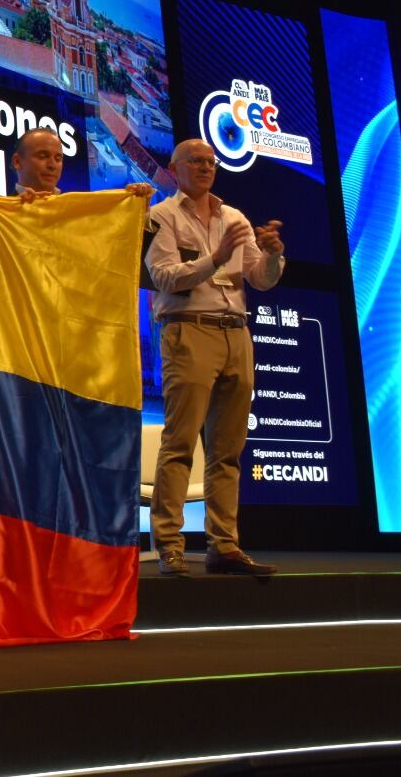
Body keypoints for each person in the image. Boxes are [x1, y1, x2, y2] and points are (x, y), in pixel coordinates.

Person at [145, 138, 285, 577]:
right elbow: (163, 277)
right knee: (180, 443)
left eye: (211, 161)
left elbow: (260, 279)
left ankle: (224, 545)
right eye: (196, 161)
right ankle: (169, 545)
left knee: (228, 451)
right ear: (175, 168)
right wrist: (216, 257)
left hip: (236, 334)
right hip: (189, 331)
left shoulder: (234, 217)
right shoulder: (161, 216)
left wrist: (274, 256)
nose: (206, 167)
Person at [13, 127, 154, 202]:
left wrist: (136, 208)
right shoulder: (0, 216)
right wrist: (17, 211)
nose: (52, 165)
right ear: (17, 162)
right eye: (43, 156)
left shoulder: (75, 211)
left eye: (58, 158)